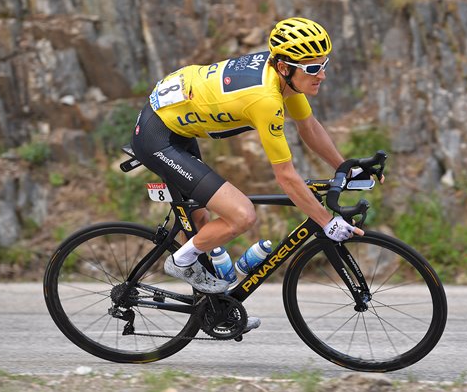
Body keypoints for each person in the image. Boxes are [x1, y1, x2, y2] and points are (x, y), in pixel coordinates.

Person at [131, 17, 369, 330]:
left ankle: (216, 312)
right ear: (285, 67)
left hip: (179, 115)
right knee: (241, 214)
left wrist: (343, 166)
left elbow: (309, 127)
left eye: (323, 64)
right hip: (158, 134)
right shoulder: (266, 100)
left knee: (201, 224)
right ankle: (179, 261)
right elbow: (285, 177)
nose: (322, 74)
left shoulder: (285, 78)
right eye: (312, 68)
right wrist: (326, 222)